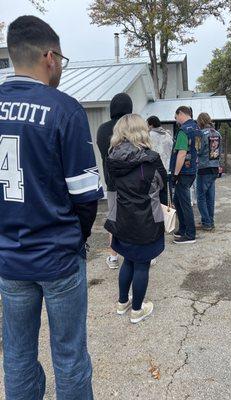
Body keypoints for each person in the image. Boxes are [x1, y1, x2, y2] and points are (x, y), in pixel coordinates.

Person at [0, 16, 103, 399]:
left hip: (9, 259)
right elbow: (87, 197)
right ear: (49, 57)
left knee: (17, 355)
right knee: (70, 357)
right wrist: (75, 239)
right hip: (58, 255)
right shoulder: (65, 110)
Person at [104, 114, 167, 323]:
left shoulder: (111, 159)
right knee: (142, 264)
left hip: (122, 219)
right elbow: (161, 187)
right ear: (142, 131)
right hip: (147, 220)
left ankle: (123, 303)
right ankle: (138, 310)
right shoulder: (151, 158)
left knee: (128, 261)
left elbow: (112, 189)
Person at [97, 93, 133, 269]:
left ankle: (113, 256)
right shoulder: (133, 128)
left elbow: (104, 153)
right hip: (134, 184)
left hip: (112, 182)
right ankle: (138, 253)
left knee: (113, 217)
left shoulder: (103, 129)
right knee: (136, 216)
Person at [170, 106, 200, 244]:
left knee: (184, 203)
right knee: (178, 200)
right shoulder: (197, 129)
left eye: (176, 118)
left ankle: (190, 234)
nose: (176, 121)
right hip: (192, 170)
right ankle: (182, 229)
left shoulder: (183, 131)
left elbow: (181, 154)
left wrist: (175, 174)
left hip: (183, 172)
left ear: (181, 114)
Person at [196, 112, 222, 231]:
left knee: (201, 196)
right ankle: (210, 221)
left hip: (203, 168)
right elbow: (219, 151)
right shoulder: (218, 134)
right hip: (214, 168)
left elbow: (198, 151)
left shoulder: (200, 134)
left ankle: (206, 222)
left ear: (200, 121)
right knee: (210, 196)